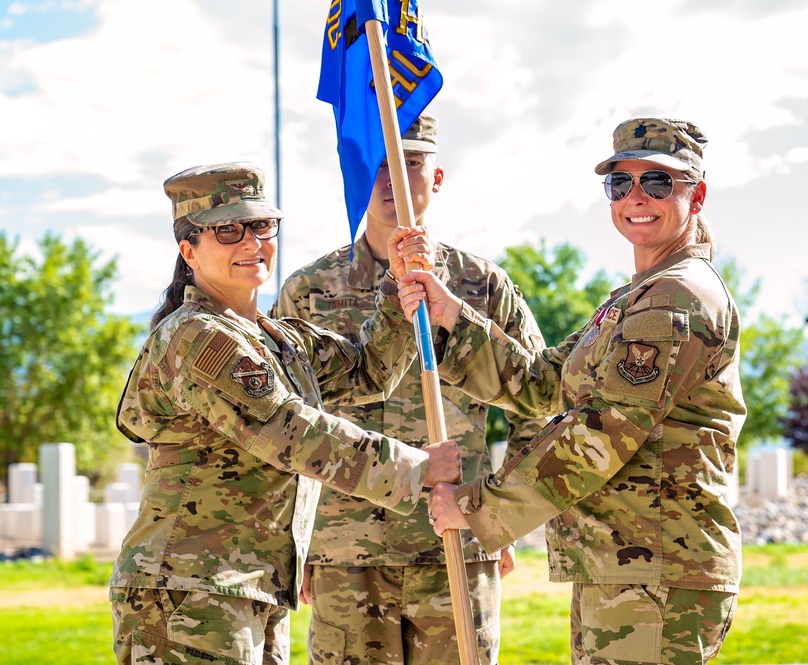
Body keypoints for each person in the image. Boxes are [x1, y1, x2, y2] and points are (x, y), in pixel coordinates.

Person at [398, 118, 746, 665]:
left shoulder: (673, 299)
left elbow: (603, 434)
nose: (636, 197)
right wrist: (450, 317)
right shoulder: (635, 298)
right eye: (620, 183)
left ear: (695, 194)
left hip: (656, 568)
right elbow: (544, 386)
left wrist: (476, 505)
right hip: (627, 561)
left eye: (657, 182)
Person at [109, 162, 462, 665]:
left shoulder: (277, 339)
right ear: (188, 250)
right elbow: (293, 432)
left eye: (260, 226)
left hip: (248, 588)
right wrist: (418, 468)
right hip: (188, 592)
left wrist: (397, 286)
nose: (251, 242)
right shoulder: (197, 337)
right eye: (227, 230)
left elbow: (370, 371)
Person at [271, 113, 548, 664]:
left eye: (411, 162)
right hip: (345, 551)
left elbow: (537, 401)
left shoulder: (481, 285)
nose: (392, 177)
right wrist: (294, 539)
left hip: (455, 544)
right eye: (376, 163)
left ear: (437, 177)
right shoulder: (309, 290)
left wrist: (503, 512)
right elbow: (284, 424)